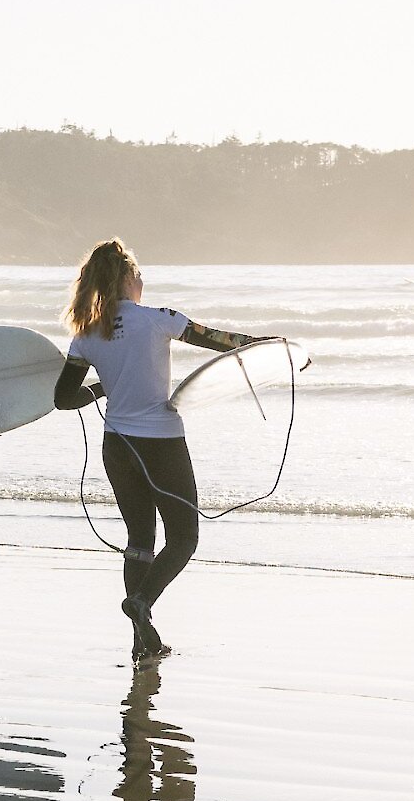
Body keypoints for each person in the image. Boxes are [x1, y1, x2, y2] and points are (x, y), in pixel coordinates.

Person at [53, 238, 262, 656]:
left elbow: (63, 398)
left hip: (118, 446)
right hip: (161, 443)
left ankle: (141, 639)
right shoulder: (160, 319)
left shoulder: (86, 335)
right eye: (140, 273)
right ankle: (142, 603)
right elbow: (218, 340)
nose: (143, 280)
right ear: (128, 278)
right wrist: (267, 346)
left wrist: (104, 387)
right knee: (184, 538)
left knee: (139, 541)